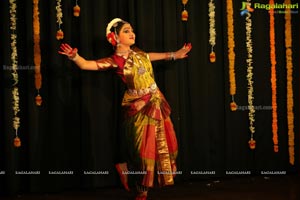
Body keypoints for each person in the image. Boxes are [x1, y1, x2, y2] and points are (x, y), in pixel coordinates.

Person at [59, 18, 192, 200]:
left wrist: (174, 54)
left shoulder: (139, 53)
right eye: (127, 31)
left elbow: (151, 56)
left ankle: (143, 191)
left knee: (164, 145)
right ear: (115, 37)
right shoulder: (115, 61)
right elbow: (86, 65)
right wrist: (75, 57)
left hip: (156, 102)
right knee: (142, 152)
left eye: (132, 30)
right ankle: (128, 172)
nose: (132, 34)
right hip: (137, 107)